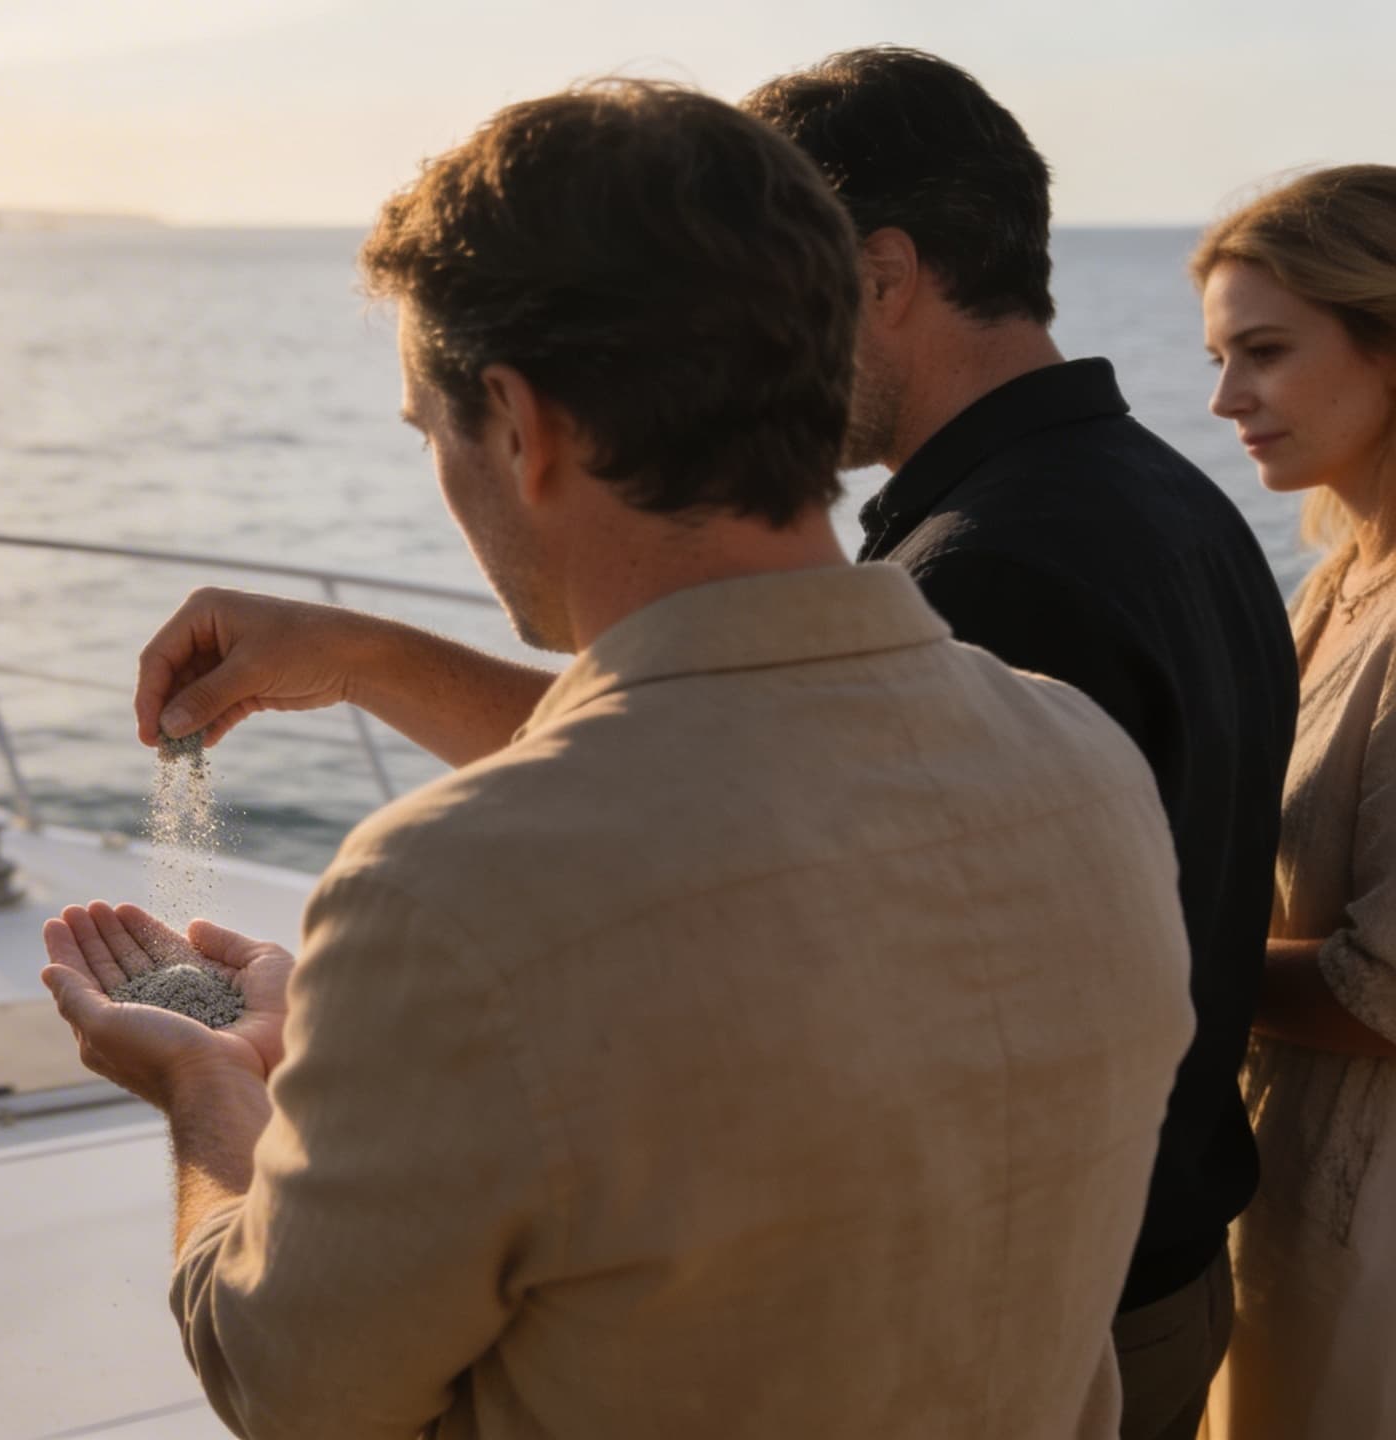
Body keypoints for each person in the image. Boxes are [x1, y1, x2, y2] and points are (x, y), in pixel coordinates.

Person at [135, 49, 1298, 1440]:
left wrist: (210, 1096)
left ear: (518, 422)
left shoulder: (443, 902)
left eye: (429, 431)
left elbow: (289, 1386)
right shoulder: (1078, 749)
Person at [1194, 164, 1396, 1440]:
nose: (1223, 400)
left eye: (1262, 352)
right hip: (1281, 1188)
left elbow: (1388, 990)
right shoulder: (1333, 585)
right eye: (1219, 357)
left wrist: (1158, 965)